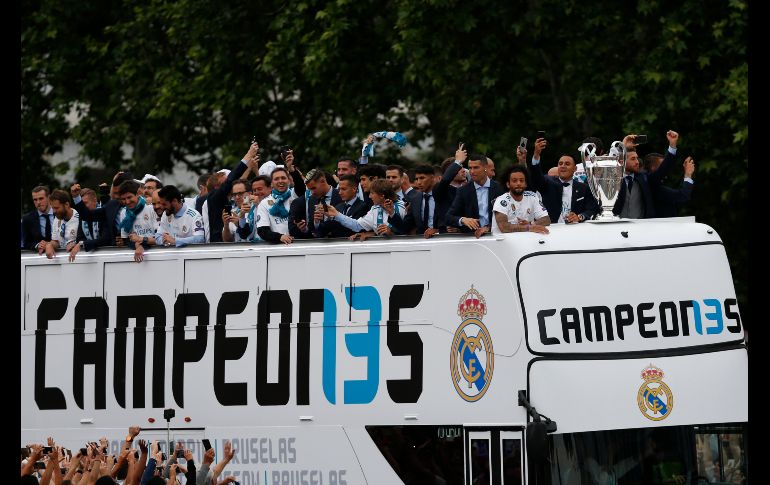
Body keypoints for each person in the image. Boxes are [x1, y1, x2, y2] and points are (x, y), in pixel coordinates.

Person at [527, 137, 599, 223]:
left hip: (575, 228)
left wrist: (579, 217)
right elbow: (536, 177)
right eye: (560, 164)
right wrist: (536, 155)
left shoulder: (583, 188)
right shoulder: (548, 183)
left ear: (575, 169)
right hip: (552, 228)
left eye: (567, 164)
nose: (563, 166)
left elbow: (591, 209)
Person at [613, 130, 680, 219]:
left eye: (637, 158)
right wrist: (623, 146)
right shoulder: (612, 178)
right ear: (622, 161)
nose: (637, 162)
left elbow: (663, 168)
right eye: (633, 159)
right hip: (617, 225)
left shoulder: (645, 178)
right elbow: (605, 164)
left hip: (642, 225)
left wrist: (672, 145)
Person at [445, 150, 504, 238]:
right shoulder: (463, 191)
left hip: (496, 236)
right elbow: (448, 217)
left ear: (485, 168)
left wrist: (488, 227)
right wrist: (463, 220)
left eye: (476, 167)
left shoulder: (500, 188)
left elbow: (508, 215)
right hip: (472, 238)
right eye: (470, 168)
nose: (472, 171)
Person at [323, 179, 406, 241]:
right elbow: (357, 225)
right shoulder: (375, 208)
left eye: (372, 193)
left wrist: (390, 233)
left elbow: (404, 230)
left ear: (382, 196)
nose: (369, 196)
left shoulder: (400, 206)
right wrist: (337, 214)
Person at [492, 165, 550, 234]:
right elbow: (504, 227)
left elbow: (546, 219)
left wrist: (531, 223)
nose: (518, 183)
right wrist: (529, 227)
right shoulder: (501, 200)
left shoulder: (533, 197)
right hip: (502, 240)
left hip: (525, 238)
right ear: (508, 184)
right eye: (514, 181)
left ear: (525, 184)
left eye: (521, 180)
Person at [117, 180, 159, 262]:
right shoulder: (123, 212)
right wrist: (137, 246)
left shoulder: (150, 207)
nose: (127, 202)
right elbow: (126, 239)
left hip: (156, 253)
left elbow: (158, 237)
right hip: (137, 255)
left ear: (137, 194)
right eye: (123, 199)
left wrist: (141, 244)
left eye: (129, 197)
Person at [255, 167, 299, 244]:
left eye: (283, 178)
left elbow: (300, 186)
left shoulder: (295, 195)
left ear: (288, 181)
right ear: (271, 183)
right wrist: (280, 237)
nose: (280, 181)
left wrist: (293, 171)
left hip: (300, 243)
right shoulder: (264, 203)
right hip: (278, 246)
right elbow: (262, 231)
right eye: (276, 179)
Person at [644, 153, 695, 217]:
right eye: (664, 166)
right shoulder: (652, 185)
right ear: (653, 168)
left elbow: (678, 192)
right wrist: (688, 174)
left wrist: (685, 173)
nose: (666, 168)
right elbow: (682, 195)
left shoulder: (658, 182)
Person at [43, 189, 82, 262]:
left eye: (56, 208)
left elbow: (87, 240)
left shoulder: (79, 218)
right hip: (63, 260)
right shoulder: (57, 218)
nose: (54, 211)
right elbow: (56, 241)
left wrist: (76, 244)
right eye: (52, 208)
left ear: (67, 204)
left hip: (80, 261)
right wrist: (49, 245)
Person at [21, 185, 55, 251]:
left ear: (48, 197)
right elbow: (26, 243)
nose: (38, 202)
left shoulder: (60, 213)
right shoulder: (27, 219)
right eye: (35, 200)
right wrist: (37, 245)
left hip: (62, 252)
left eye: (41, 198)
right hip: (39, 255)